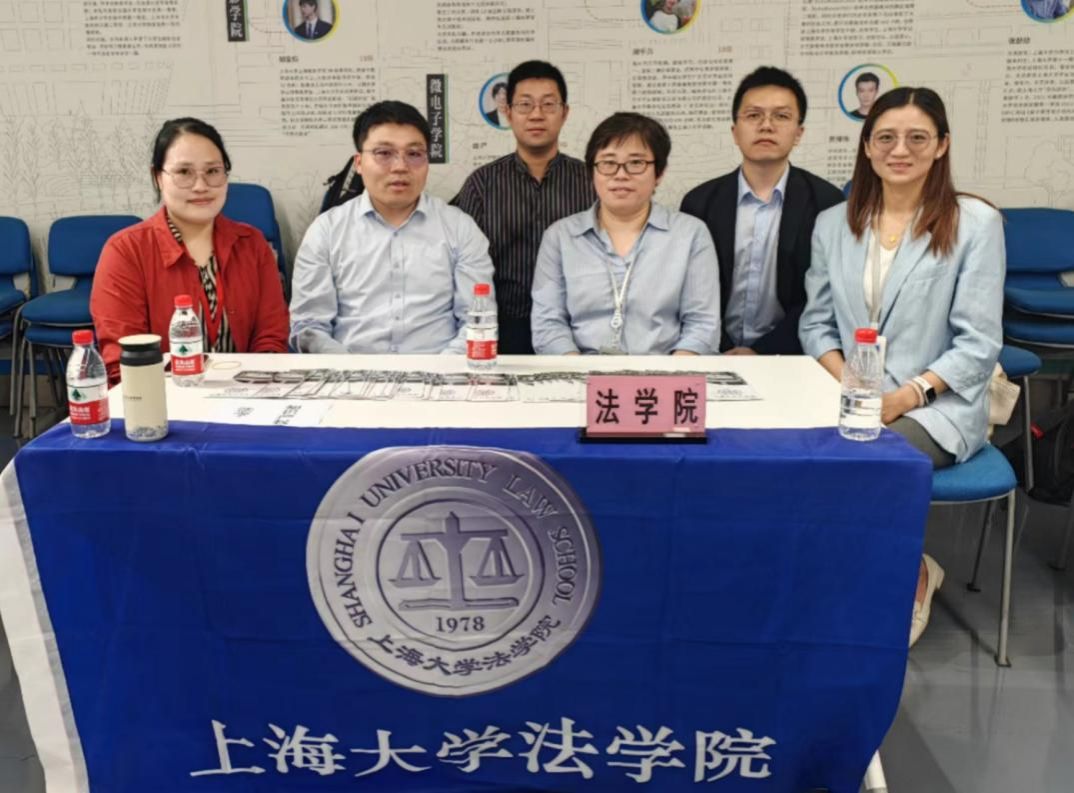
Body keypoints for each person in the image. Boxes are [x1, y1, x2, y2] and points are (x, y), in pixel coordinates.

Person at [799, 87, 1005, 647]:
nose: (900, 150)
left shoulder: (976, 223)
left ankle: (911, 574)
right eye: (886, 137)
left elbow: (979, 342)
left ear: (941, 146)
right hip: (851, 393)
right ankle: (834, 579)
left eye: (918, 138)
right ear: (867, 147)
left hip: (938, 403)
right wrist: (851, 382)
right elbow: (815, 325)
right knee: (788, 458)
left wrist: (904, 397)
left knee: (866, 462)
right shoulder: (833, 224)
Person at [90, 118, 289, 385]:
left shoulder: (251, 244)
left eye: (213, 171)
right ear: (158, 177)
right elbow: (124, 363)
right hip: (161, 400)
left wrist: (255, 392)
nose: (201, 186)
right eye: (184, 172)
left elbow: (272, 338)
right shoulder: (125, 251)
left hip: (247, 396)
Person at [289, 101, 494, 354]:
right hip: (348, 371)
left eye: (414, 154)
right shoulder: (326, 231)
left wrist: (441, 370)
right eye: (384, 153)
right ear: (359, 163)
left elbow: (477, 319)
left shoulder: (460, 228)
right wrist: (350, 369)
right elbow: (309, 326)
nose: (400, 167)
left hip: (441, 371)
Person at [680, 66, 844, 355]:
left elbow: (823, 298)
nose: (766, 126)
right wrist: (722, 348)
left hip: (793, 356)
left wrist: (762, 351)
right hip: (710, 352)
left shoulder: (827, 203)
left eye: (781, 116)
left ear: (799, 133)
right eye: (753, 115)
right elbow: (690, 292)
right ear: (735, 131)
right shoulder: (699, 202)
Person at [531, 112, 719, 355]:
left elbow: (702, 325)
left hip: (664, 372)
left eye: (636, 163)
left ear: (659, 173)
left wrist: (673, 372)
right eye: (608, 163)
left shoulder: (690, 234)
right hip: (580, 370)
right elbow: (548, 323)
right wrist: (577, 371)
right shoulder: (560, 237)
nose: (621, 175)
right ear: (592, 172)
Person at [452, 60, 595, 354]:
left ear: (565, 113)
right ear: (507, 112)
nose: (536, 115)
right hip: (502, 328)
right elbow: (461, 263)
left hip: (576, 329)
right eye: (525, 105)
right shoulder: (482, 184)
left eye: (548, 105)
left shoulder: (591, 181)